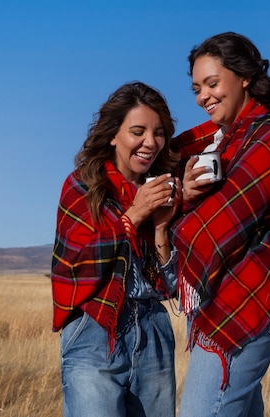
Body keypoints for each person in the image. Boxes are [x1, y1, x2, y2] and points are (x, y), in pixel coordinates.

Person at [171, 32, 270, 417]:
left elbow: (222, 222)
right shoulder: (217, 143)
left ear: (245, 77)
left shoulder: (268, 140)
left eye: (213, 83)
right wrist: (182, 191)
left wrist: (176, 210)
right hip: (216, 297)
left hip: (244, 301)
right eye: (197, 88)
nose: (204, 97)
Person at [50, 81, 182, 417]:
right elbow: (76, 266)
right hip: (96, 327)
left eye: (159, 133)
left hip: (153, 326)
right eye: (138, 131)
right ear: (112, 135)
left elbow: (167, 285)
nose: (150, 143)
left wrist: (162, 226)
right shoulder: (82, 185)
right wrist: (134, 214)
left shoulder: (158, 189)